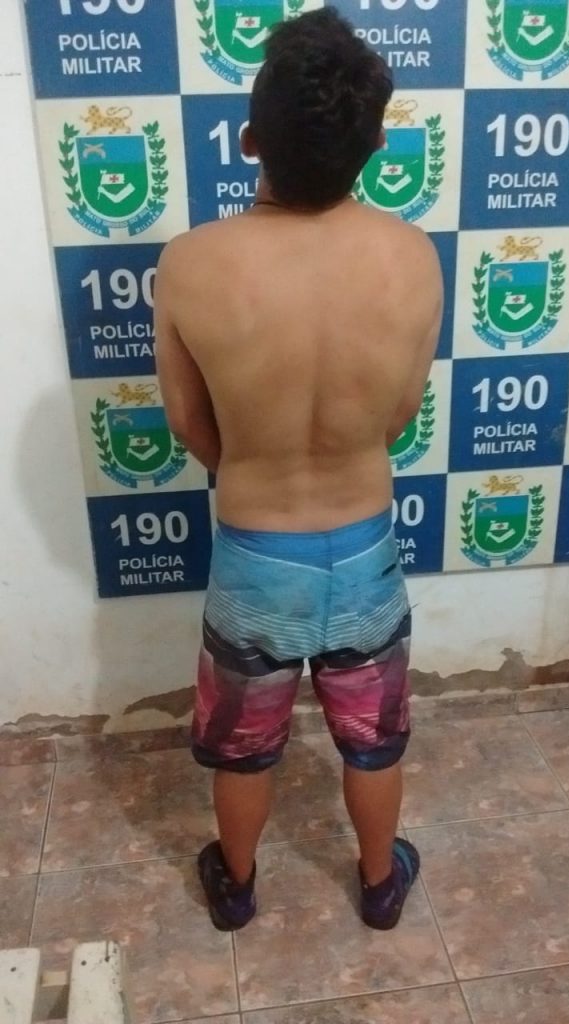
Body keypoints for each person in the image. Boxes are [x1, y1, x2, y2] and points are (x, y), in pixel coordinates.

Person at [154, 6, 443, 933]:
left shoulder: (190, 263)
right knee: (372, 738)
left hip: (253, 555)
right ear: (377, 146)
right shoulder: (412, 256)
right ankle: (380, 884)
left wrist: (255, 463)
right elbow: (399, 413)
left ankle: (237, 886)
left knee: (244, 746)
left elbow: (188, 423)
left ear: (250, 139)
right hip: (365, 552)